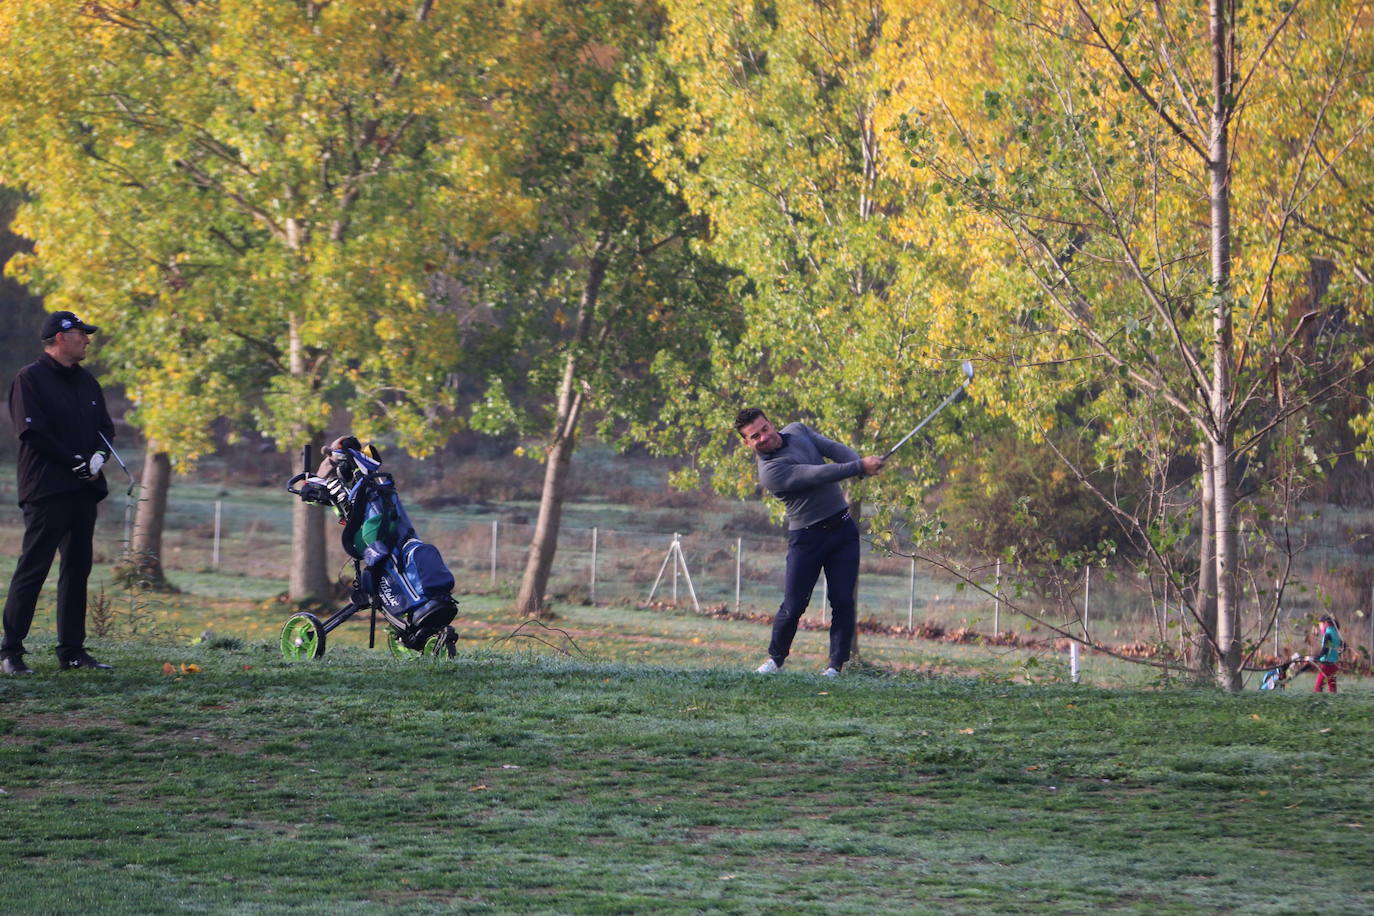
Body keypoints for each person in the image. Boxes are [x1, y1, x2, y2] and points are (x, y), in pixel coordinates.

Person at [2, 311, 116, 674]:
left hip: (83, 491)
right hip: (47, 489)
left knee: (77, 569)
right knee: (34, 567)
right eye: (83, 334)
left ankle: (72, 651)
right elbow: (32, 433)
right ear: (61, 336)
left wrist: (98, 457)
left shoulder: (86, 382)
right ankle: (10, 652)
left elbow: (105, 429)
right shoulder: (29, 379)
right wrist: (73, 461)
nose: (87, 340)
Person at [735, 408, 884, 677]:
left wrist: (859, 465)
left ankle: (834, 668)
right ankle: (775, 660)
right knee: (793, 605)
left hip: (843, 531)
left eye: (764, 429)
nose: (763, 437)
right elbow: (817, 474)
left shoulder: (798, 430)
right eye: (754, 436)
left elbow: (833, 449)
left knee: (842, 601)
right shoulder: (771, 471)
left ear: (771, 423)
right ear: (747, 443)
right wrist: (859, 466)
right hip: (807, 538)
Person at [1312, 614, 1343, 694]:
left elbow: (1325, 649)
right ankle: (1333, 703)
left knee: (1318, 688)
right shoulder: (1336, 634)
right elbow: (1344, 646)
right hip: (1333, 665)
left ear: (1325, 623)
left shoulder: (1328, 634)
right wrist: (1337, 654)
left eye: (1320, 625)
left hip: (1326, 665)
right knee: (1332, 688)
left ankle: (1317, 704)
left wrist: (1317, 658)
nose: (1320, 628)